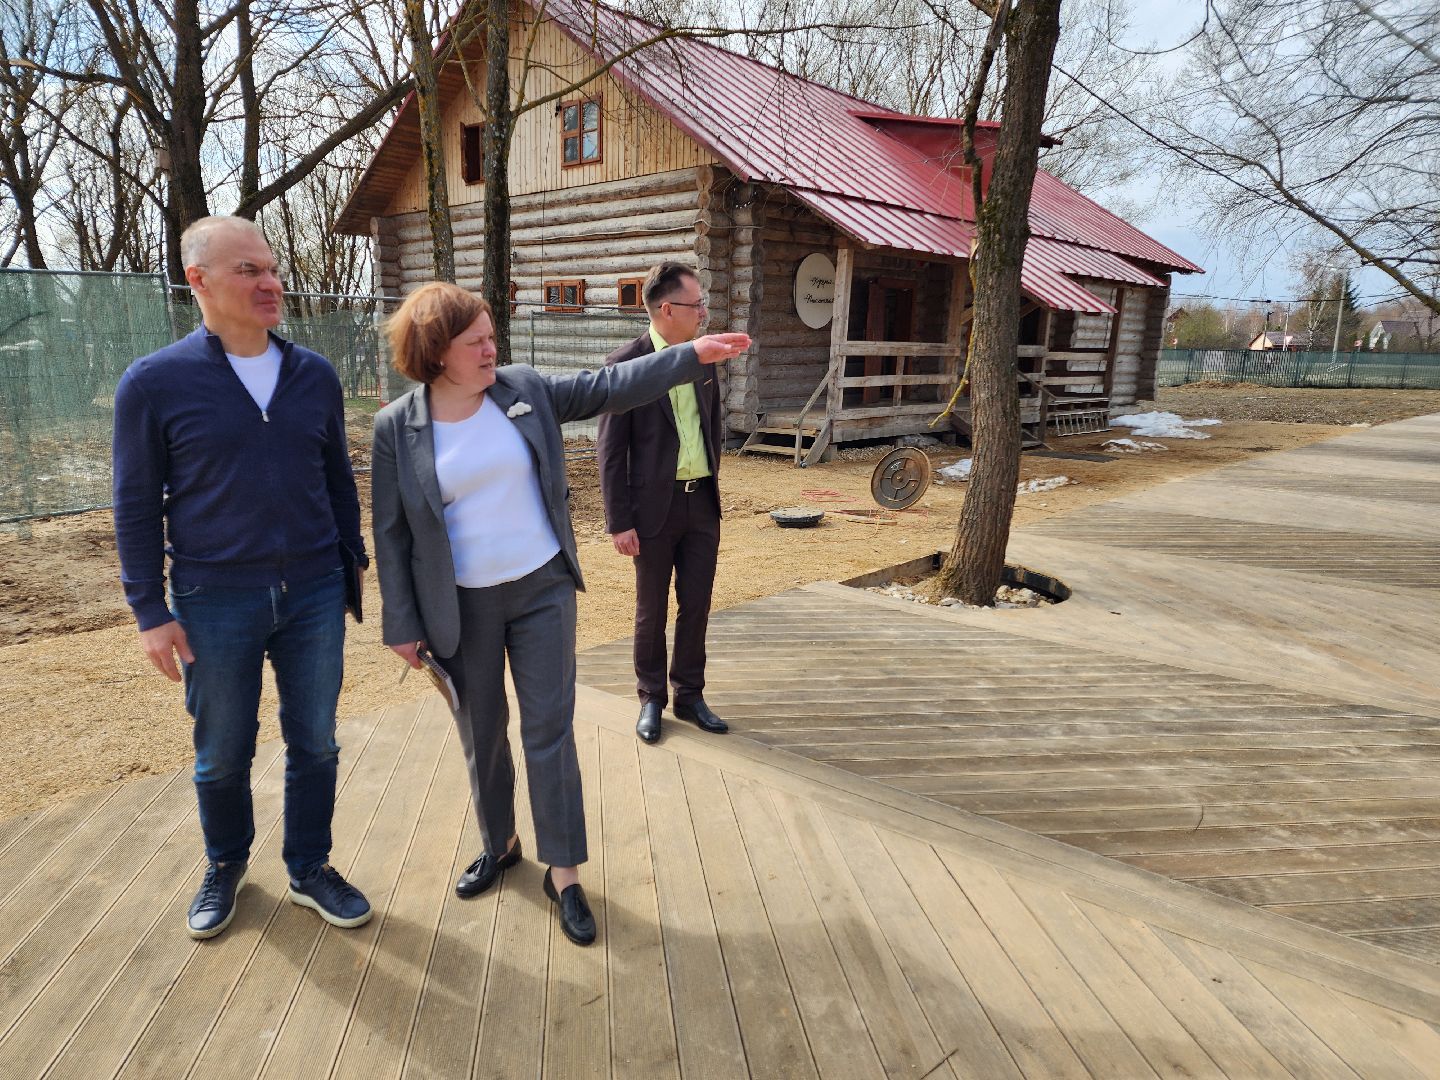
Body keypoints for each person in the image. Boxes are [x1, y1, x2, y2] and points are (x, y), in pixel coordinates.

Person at [370, 282, 748, 946]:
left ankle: (564, 872)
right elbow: (392, 531)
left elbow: (609, 387)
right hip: (460, 607)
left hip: (541, 590)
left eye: (492, 336)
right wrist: (401, 622)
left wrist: (690, 356)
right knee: (482, 732)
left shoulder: (521, 389)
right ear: (435, 352)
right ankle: (500, 843)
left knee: (549, 730)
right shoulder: (397, 428)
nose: (491, 349)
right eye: (475, 342)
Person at [112, 216, 372, 940]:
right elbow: (135, 505)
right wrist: (148, 609)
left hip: (314, 592)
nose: (271, 283)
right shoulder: (153, 383)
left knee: (316, 740)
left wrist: (350, 563)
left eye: (272, 268)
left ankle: (310, 866)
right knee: (223, 749)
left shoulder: (314, 375)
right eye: (249, 270)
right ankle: (226, 863)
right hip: (212, 599)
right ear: (197, 280)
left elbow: (337, 479)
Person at [596, 262, 729, 746]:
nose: (704, 313)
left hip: (702, 504)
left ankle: (689, 695)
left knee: (697, 604)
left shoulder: (703, 358)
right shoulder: (624, 365)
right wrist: (619, 521)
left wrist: (711, 484)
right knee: (650, 609)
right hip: (652, 510)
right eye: (697, 305)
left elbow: (711, 427)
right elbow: (610, 451)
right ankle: (651, 697)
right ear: (667, 309)